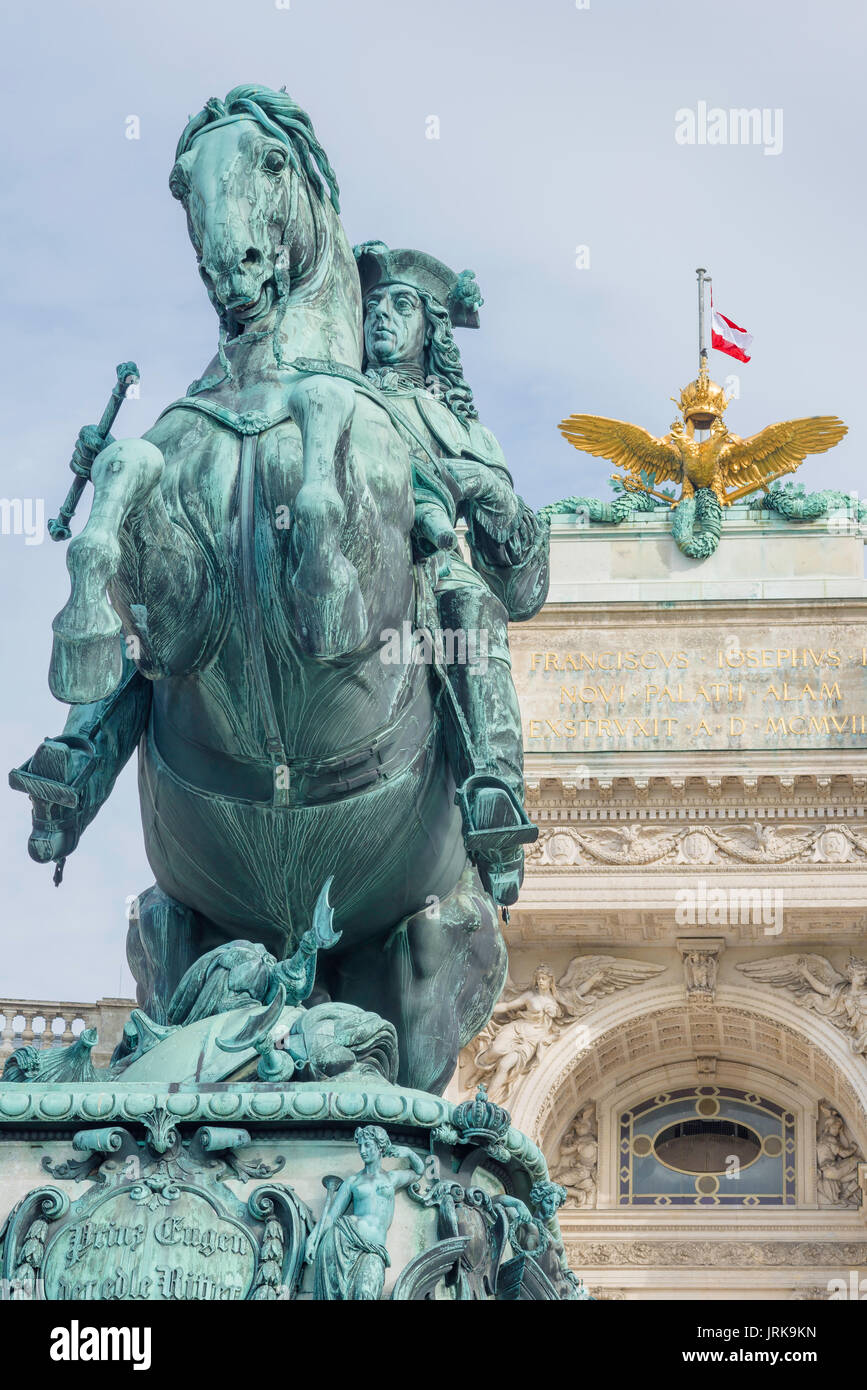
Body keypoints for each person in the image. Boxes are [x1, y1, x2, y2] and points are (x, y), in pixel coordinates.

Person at [355, 241, 549, 907]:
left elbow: (522, 587)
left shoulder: (456, 425)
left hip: (418, 572)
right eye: (370, 305)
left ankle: (493, 787)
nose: (380, 316)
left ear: (430, 330)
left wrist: (478, 484)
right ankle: (86, 752)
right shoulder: (318, 396)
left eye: (399, 305)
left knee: (470, 605)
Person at [305, 1124, 424, 1300]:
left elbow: (419, 1171)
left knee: (366, 1292)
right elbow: (331, 1216)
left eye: (367, 1145)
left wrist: (408, 1152)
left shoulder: (391, 1178)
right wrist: (312, 1239)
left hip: (374, 1248)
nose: (362, 1150)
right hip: (341, 1240)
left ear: (380, 1146)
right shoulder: (352, 1182)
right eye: (360, 1145)